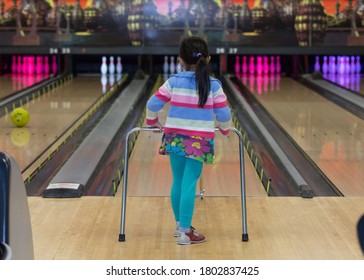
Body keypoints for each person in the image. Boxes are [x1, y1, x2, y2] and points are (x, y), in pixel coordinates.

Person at [146, 36, 232, 245]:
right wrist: (225, 129)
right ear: (208, 58)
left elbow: (152, 103)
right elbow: (224, 114)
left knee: (178, 180)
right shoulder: (213, 84)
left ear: (179, 60)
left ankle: (179, 226)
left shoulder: (174, 81)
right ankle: (185, 232)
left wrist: (151, 121)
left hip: (174, 137)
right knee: (190, 182)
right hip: (199, 140)